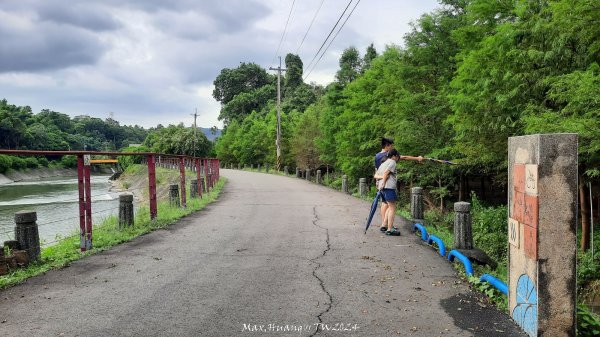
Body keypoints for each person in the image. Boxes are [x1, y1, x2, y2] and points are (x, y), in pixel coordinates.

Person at [374, 148, 424, 236]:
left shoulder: (383, 163)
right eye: (397, 157)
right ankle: (389, 230)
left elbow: (376, 175)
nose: (398, 159)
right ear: (394, 156)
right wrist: (384, 182)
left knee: (389, 207)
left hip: (383, 188)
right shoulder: (392, 162)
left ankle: (384, 225)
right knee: (392, 208)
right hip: (388, 187)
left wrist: (381, 182)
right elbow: (386, 173)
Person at [374, 138, 394, 231]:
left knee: (383, 202)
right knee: (389, 204)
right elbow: (403, 157)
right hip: (387, 183)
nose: (392, 147)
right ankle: (385, 224)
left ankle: (384, 223)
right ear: (387, 146)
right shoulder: (388, 155)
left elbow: (376, 170)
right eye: (391, 145)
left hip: (379, 180)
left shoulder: (377, 155)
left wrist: (377, 182)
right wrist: (417, 158)